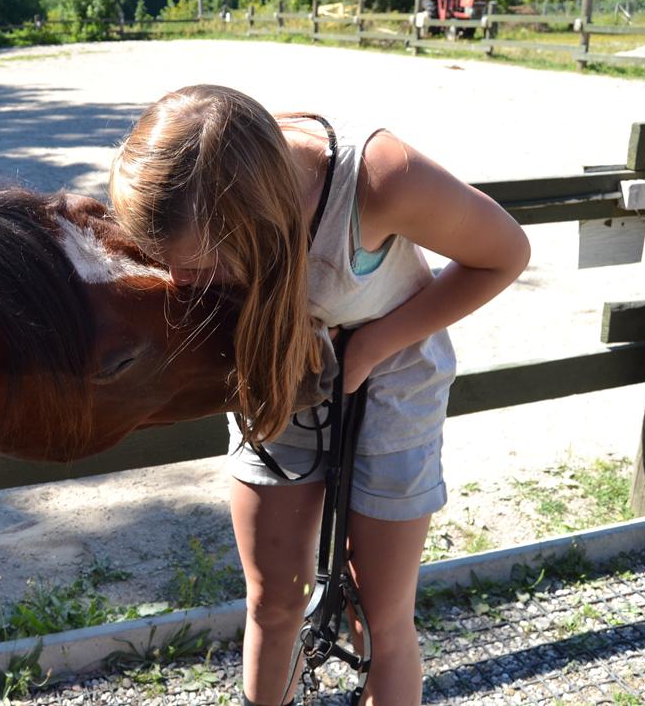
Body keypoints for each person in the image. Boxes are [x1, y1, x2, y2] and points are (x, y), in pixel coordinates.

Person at [108, 85, 530, 706]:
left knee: (378, 618)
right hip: (274, 367)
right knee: (274, 600)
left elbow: (505, 254)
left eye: (199, 265)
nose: (180, 282)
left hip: (392, 379)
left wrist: (371, 346)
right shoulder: (188, 193)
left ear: (256, 219)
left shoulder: (383, 179)